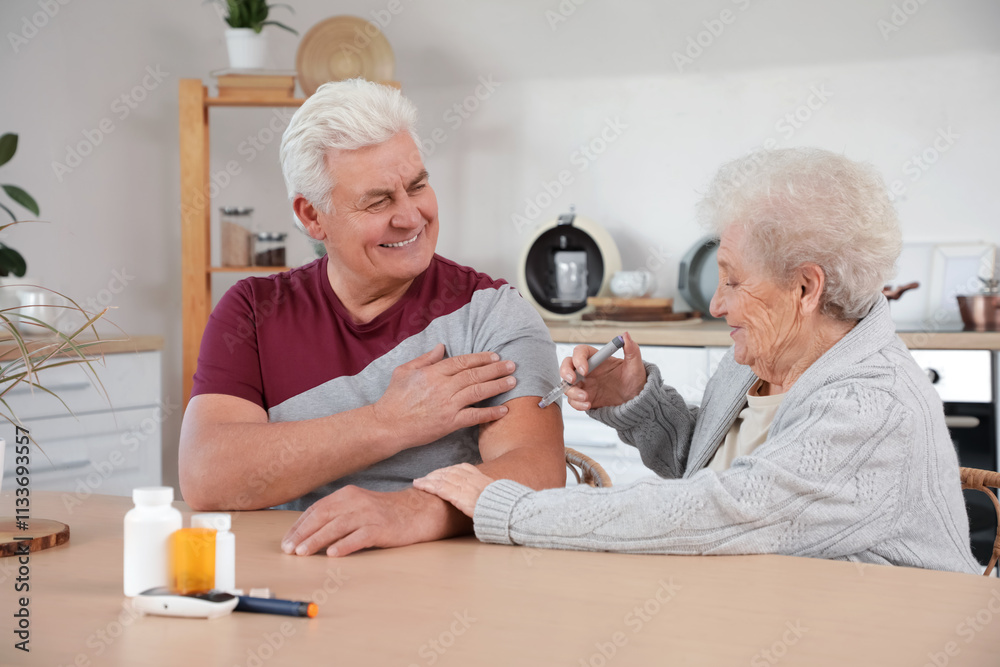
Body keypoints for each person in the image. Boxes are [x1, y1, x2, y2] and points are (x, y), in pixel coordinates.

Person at [415, 147, 982, 574]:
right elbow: (708, 470)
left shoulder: (870, 405)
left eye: (733, 280)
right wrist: (636, 402)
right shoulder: (757, 358)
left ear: (806, 288)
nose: (715, 303)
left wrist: (509, 509)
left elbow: (719, 513)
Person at [179, 79, 566, 557]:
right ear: (312, 216)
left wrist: (409, 510)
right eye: (378, 201)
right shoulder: (253, 311)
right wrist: (387, 423)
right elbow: (207, 476)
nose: (411, 217)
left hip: (450, 593)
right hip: (293, 576)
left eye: (418, 186)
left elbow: (538, 473)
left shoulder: (491, 314)